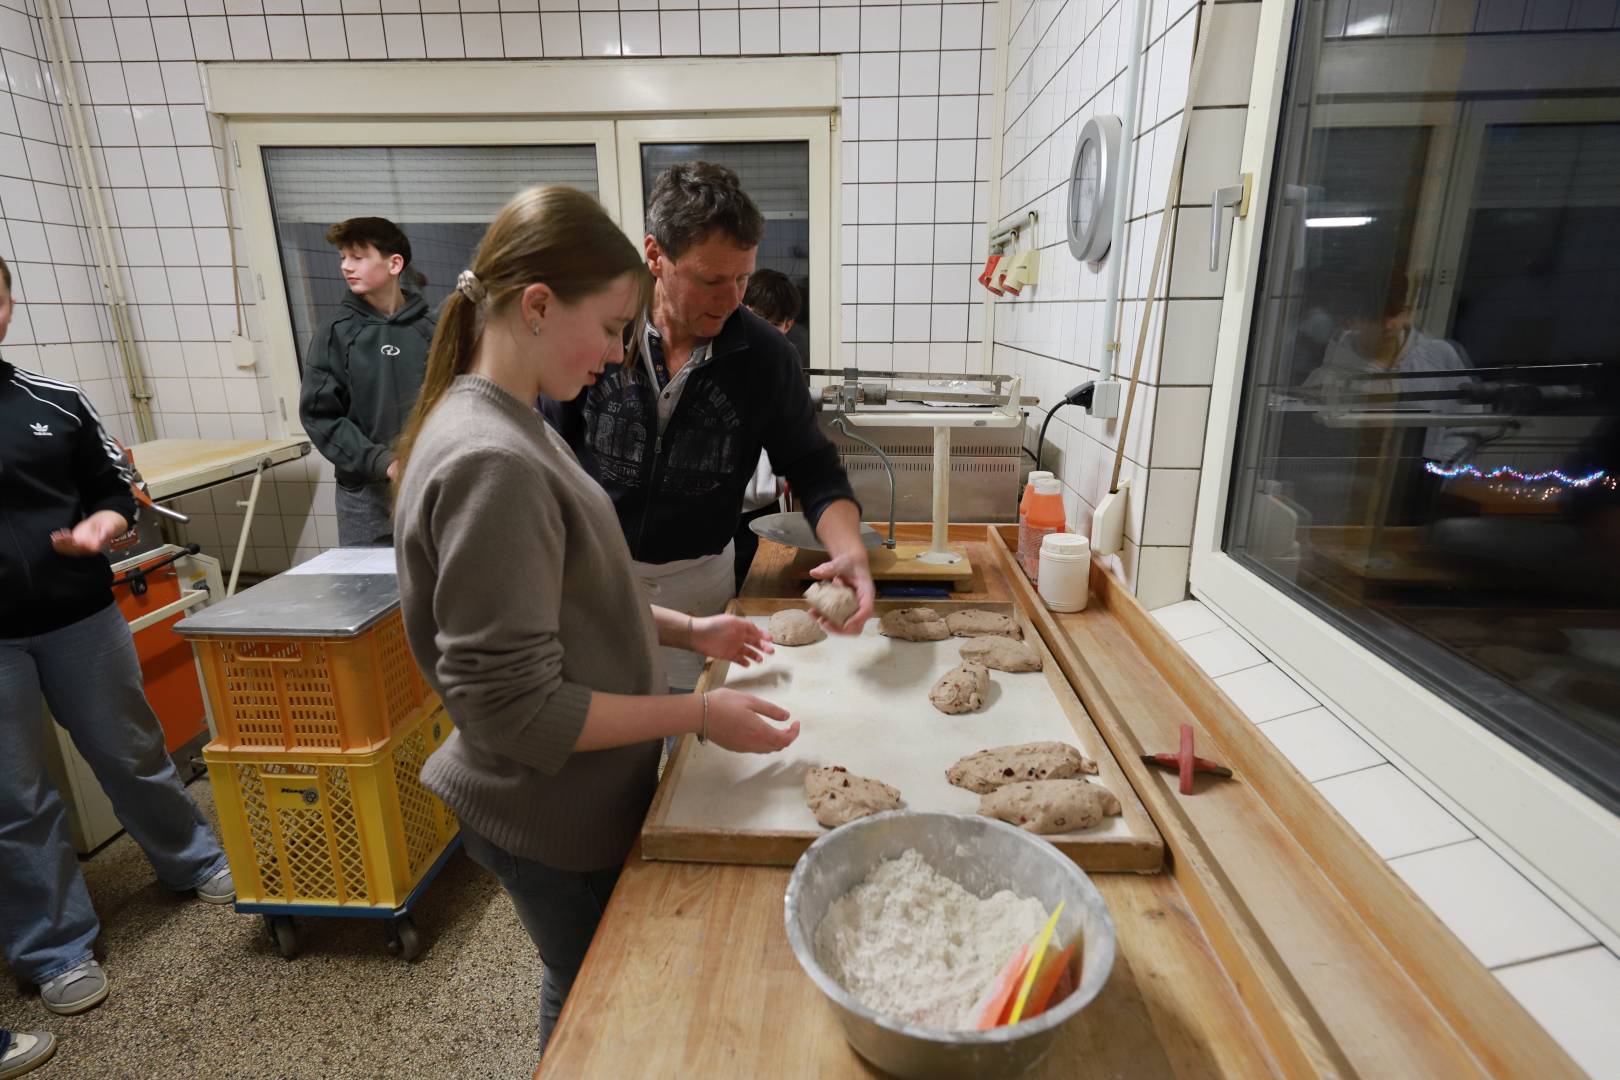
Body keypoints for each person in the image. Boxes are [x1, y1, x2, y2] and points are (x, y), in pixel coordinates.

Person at [392, 186, 800, 1060]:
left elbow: (569, 594)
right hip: (548, 811)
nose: (621, 357)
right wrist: (697, 713)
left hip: (570, 796)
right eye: (615, 328)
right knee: (605, 1013)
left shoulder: (509, 419)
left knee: (577, 984)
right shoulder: (490, 459)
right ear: (538, 306)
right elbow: (520, 711)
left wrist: (693, 636)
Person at [0, 256, 234, 1019]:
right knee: (15, 798)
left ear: (8, 304)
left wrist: (109, 521)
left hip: (78, 619)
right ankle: (54, 947)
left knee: (132, 752)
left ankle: (190, 859)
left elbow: (112, 486)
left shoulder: (54, 403)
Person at [542, 163, 874, 691]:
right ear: (655, 255)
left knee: (688, 743)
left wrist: (847, 549)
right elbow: (546, 449)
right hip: (591, 584)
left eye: (742, 277)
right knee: (608, 745)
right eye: (711, 279)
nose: (732, 299)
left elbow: (812, 468)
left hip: (698, 589)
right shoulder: (601, 331)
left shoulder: (765, 356)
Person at [299, 216, 436, 546]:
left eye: (358, 257)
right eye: (343, 258)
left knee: (435, 585)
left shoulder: (432, 330)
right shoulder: (336, 332)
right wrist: (384, 462)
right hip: (363, 497)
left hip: (428, 482)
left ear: (394, 264)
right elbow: (321, 416)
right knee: (370, 593)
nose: (347, 267)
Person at [731, 269, 803, 591]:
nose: (762, 330)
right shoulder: (721, 358)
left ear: (787, 326)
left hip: (766, 506)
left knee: (762, 586)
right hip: (724, 506)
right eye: (755, 317)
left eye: (773, 324)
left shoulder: (785, 363)